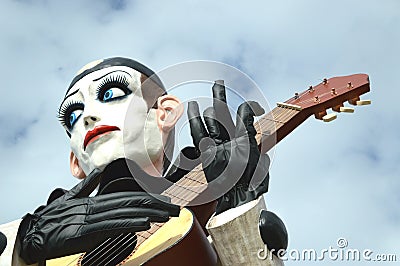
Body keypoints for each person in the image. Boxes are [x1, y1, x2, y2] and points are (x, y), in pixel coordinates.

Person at [0, 57, 287, 265]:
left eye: (110, 93)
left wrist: (236, 219)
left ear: (165, 113)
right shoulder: (41, 240)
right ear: (75, 161)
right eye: (73, 115)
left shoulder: (186, 231)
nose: (87, 117)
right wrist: (18, 247)